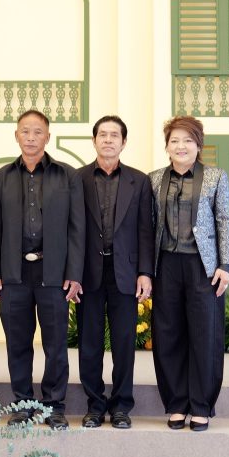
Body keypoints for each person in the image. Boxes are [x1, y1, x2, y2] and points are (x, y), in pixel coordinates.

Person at [0, 109, 84, 430]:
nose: (31, 138)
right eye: (25, 131)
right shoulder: (0, 178)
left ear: (48, 136)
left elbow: (77, 229)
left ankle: (54, 405)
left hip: (53, 273)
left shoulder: (67, 176)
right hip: (14, 272)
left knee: (55, 344)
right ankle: (22, 405)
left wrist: (74, 273)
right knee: (17, 343)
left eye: (37, 132)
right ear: (16, 136)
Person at [149, 116, 229, 432]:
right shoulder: (154, 179)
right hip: (166, 266)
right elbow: (148, 225)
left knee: (205, 336)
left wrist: (226, 265)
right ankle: (176, 403)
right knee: (167, 335)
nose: (181, 146)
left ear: (198, 145)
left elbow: (225, 220)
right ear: (167, 146)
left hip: (203, 267)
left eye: (188, 140)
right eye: (175, 140)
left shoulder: (215, 177)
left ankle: (201, 405)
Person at [76, 116, 155, 430]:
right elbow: (71, 230)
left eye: (114, 135)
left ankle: (122, 406)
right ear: (94, 140)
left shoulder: (139, 181)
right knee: (89, 344)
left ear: (124, 142)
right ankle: (95, 406)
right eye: (103, 135)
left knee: (124, 344)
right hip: (88, 273)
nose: (108, 140)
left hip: (126, 273)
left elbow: (146, 230)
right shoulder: (77, 178)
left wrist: (145, 272)